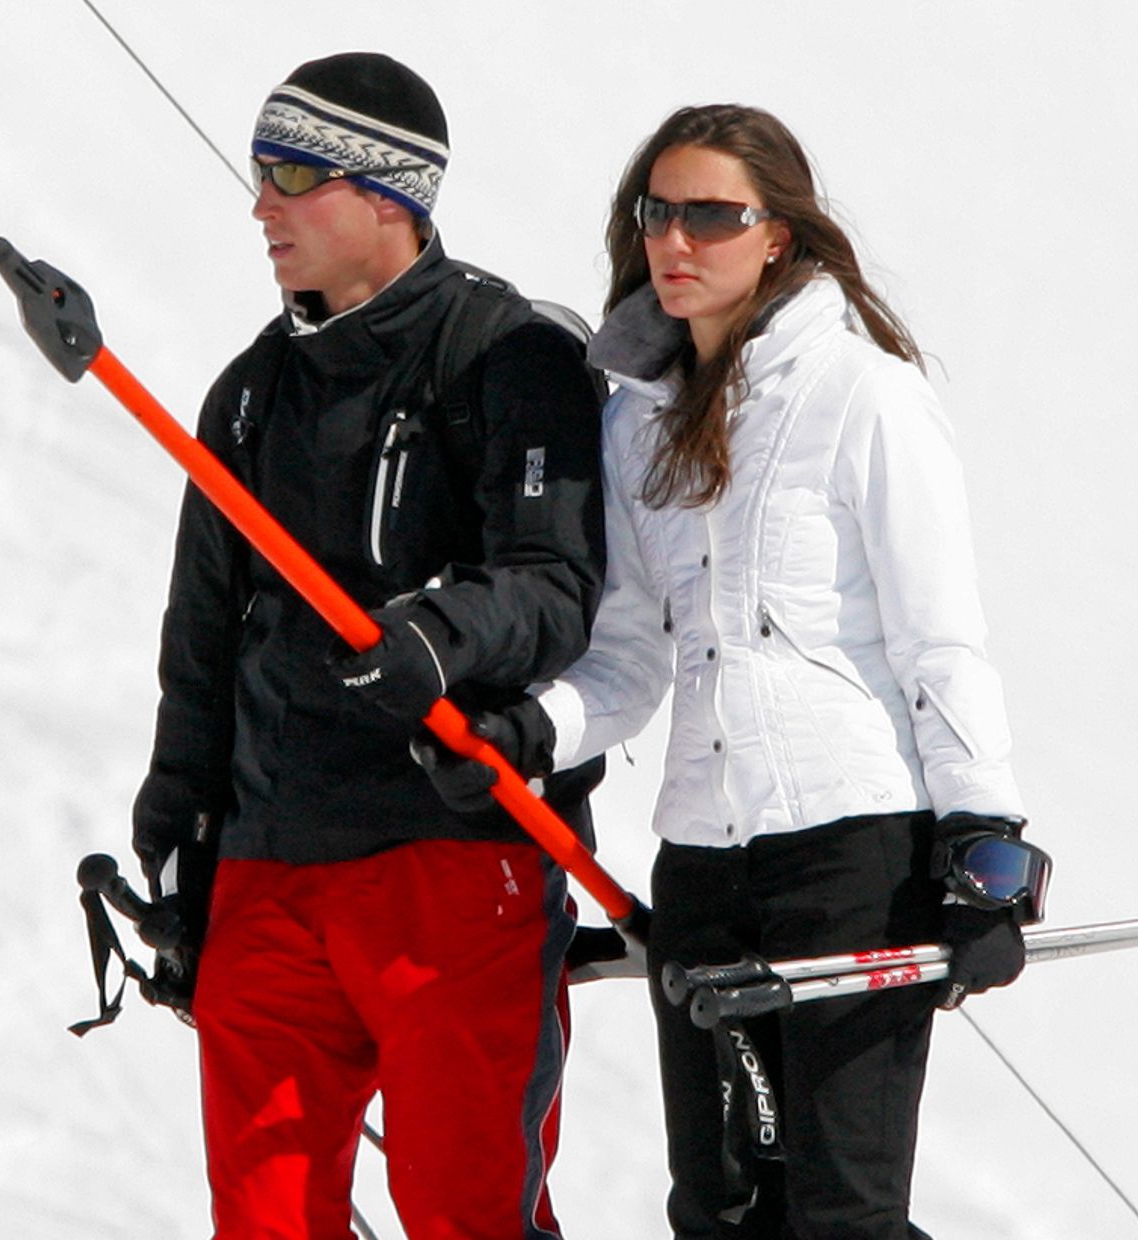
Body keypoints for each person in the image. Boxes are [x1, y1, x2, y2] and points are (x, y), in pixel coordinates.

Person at [417, 104, 1050, 1239]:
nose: (675, 240)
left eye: (712, 215)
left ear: (779, 236)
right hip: (704, 860)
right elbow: (627, 656)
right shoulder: (632, 429)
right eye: (660, 212)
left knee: (841, 1212)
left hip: (853, 854)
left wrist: (986, 850)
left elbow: (939, 642)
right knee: (719, 1210)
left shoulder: (865, 398)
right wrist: (526, 732)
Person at [131, 52, 606, 1240]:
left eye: (293, 175)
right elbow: (200, 642)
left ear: (391, 194)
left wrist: (432, 641)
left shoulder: (506, 356)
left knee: (465, 1211)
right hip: (271, 867)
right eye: (257, 174)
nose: (261, 208)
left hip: (452, 859)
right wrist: (179, 840)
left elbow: (556, 585)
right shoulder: (249, 394)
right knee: (266, 1216)